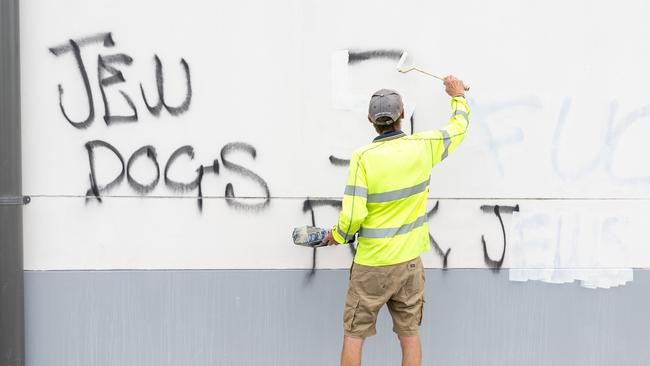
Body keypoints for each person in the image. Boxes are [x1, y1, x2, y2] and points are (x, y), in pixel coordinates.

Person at [321, 76, 470, 366]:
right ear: (403, 114)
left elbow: (352, 215)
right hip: (409, 263)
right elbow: (459, 128)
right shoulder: (423, 146)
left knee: (354, 335)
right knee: (409, 335)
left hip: (371, 265)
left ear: (370, 120)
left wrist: (337, 236)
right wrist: (458, 96)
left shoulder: (363, 158)